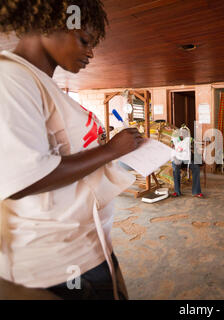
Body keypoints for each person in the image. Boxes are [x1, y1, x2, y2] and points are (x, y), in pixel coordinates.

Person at [0, 0, 145, 299]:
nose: (91, 53)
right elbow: (24, 178)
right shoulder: (10, 79)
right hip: (54, 262)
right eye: (84, 40)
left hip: (88, 247)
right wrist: (111, 151)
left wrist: (113, 149)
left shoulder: (42, 84)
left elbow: (66, 156)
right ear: (48, 26)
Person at [171, 126, 204, 198]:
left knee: (196, 168)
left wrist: (192, 146)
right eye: (181, 133)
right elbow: (172, 147)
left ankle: (196, 191)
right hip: (178, 158)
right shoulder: (175, 139)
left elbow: (194, 147)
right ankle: (177, 191)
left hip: (187, 159)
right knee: (175, 167)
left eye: (185, 133)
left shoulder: (189, 140)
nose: (183, 134)